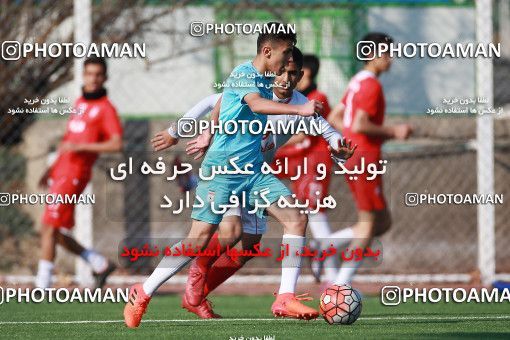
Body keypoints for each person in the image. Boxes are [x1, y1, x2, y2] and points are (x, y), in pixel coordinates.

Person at [124, 22, 326, 328]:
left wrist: (336, 141)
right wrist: (189, 131)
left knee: (292, 220)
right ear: (267, 51)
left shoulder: (275, 84)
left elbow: (222, 106)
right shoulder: (246, 74)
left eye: (291, 61)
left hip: (255, 171)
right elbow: (246, 103)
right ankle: (144, 290)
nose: (288, 63)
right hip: (224, 168)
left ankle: (284, 297)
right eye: (285, 54)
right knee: (200, 240)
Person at [151, 47, 355, 318]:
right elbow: (213, 101)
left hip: (256, 176)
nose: (285, 78)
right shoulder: (256, 95)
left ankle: (197, 292)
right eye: (281, 71)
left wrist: (338, 148)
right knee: (231, 231)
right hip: (229, 167)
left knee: (250, 246)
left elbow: (329, 132)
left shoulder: (300, 104)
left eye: (292, 73)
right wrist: (177, 131)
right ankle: (197, 277)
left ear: (300, 77)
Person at [327, 32, 412, 286]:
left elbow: (336, 118)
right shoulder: (371, 85)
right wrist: (393, 131)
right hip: (364, 158)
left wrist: (351, 137)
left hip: (356, 157)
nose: (390, 58)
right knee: (368, 224)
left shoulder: (357, 81)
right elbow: (361, 123)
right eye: (385, 53)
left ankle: (325, 245)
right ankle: (341, 286)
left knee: (382, 222)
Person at [36, 57, 122, 289]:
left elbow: (116, 144)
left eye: (97, 74)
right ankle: (98, 263)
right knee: (51, 229)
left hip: (75, 174)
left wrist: (83, 147)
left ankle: (41, 285)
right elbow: (69, 141)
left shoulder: (106, 109)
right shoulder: (80, 103)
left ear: (104, 78)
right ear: (83, 76)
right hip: (61, 171)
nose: (92, 79)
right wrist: (50, 169)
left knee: (50, 227)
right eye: (89, 74)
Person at [274, 54, 337, 284]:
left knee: (316, 215)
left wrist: (271, 140)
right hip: (298, 164)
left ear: (306, 74)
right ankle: (325, 262)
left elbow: (304, 134)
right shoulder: (296, 101)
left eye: (294, 74)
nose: (289, 79)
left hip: (315, 165)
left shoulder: (317, 99)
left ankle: (333, 275)